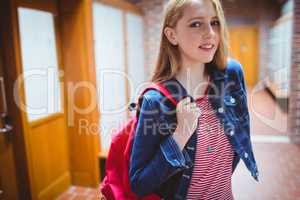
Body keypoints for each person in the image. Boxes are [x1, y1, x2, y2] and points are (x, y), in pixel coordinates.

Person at [129, 0, 259, 199]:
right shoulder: (156, 102)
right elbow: (139, 184)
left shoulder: (232, 74)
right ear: (172, 35)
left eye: (214, 22)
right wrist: (179, 135)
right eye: (196, 24)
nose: (210, 33)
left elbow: (239, 138)